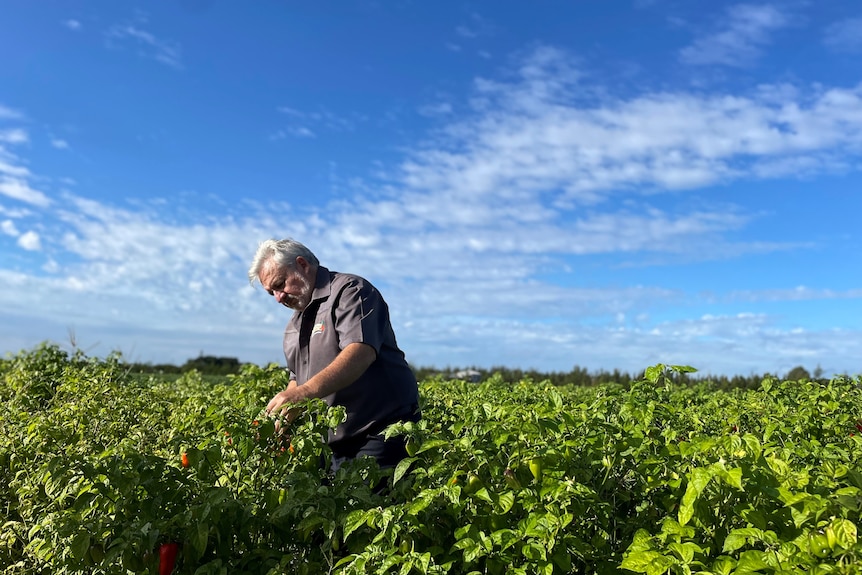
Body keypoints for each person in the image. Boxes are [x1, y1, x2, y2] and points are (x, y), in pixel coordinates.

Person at [248, 238, 420, 473]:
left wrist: (303, 394)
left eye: (280, 284)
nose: (278, 297)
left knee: (375, 506)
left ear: (302, 265)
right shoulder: (293, 326)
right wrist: (282, 417)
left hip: (379, 431)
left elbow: (360, 351)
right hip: (331, 443)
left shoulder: (351, 292)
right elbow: (297, 379)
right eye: (272, 293)